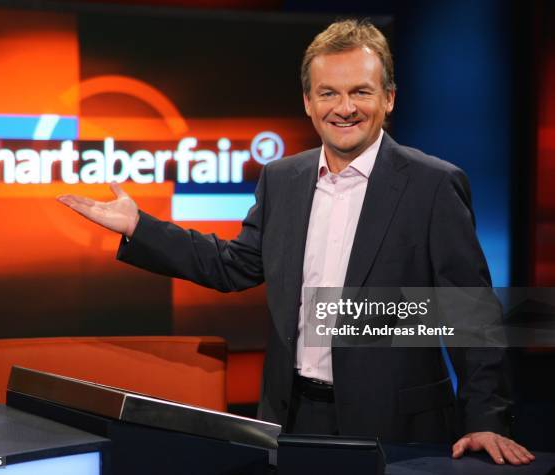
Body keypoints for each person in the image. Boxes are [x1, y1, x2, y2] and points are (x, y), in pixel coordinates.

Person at [58, 19, 534, 465]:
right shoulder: (282, 179)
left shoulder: (433, 184)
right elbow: (232, 265)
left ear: (388, 98)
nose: (344, 108)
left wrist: (486, 420)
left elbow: (469, 313)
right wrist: (140, 228)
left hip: (397, 427)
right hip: (291, 418)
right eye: (328, 92)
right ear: (308, 101)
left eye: (360, 92)